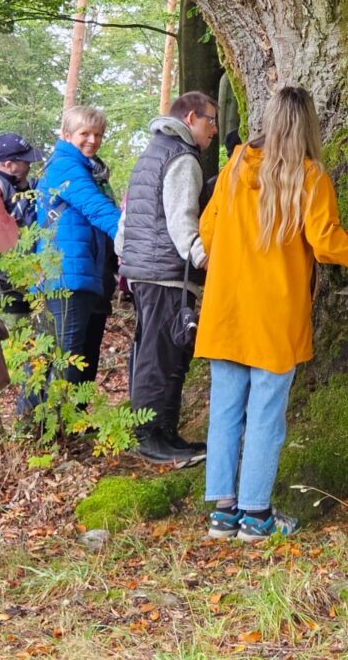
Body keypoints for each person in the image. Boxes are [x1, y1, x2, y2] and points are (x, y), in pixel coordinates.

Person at [195, 85, 348, 541]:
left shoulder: (235, 167)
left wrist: (234, 260)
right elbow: (330, 245)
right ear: (310, 124)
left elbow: (207, 229)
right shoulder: (309, 177)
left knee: (227, 411)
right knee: (266, 415)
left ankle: (223, 513)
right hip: (275, 313)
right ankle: (256, 517)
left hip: (226, 308)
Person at [117, 92, 218, 466]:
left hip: (144, 269)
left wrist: (125, 255)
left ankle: (165, 433)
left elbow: (126, 221)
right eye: (210, 121)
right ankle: (150, 437)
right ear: (191, 118)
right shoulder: (181, 157)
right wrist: (202, 256)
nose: (214, 129)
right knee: (163, 356)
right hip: (166, 273)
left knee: (157, 351)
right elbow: (181, 218)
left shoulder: (152, 152)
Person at [36, 107, 121, 394]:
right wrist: (134, 239)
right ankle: (52, 428)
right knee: (67, 354)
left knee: (84, 355)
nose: (92, 140)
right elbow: (96, 208)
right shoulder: (63, 166)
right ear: (67, 135)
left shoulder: (92, 170)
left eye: (98, 134)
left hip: (89, 273)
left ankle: (76, 424)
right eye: (85, 133)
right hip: (65, 274)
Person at [0, 133, 43, 331]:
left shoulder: (19, 186)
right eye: (25, 161)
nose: (30, 165)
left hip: (21, 278)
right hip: (6, 282)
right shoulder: (0, 186)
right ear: (9, 164)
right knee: (14, 336)